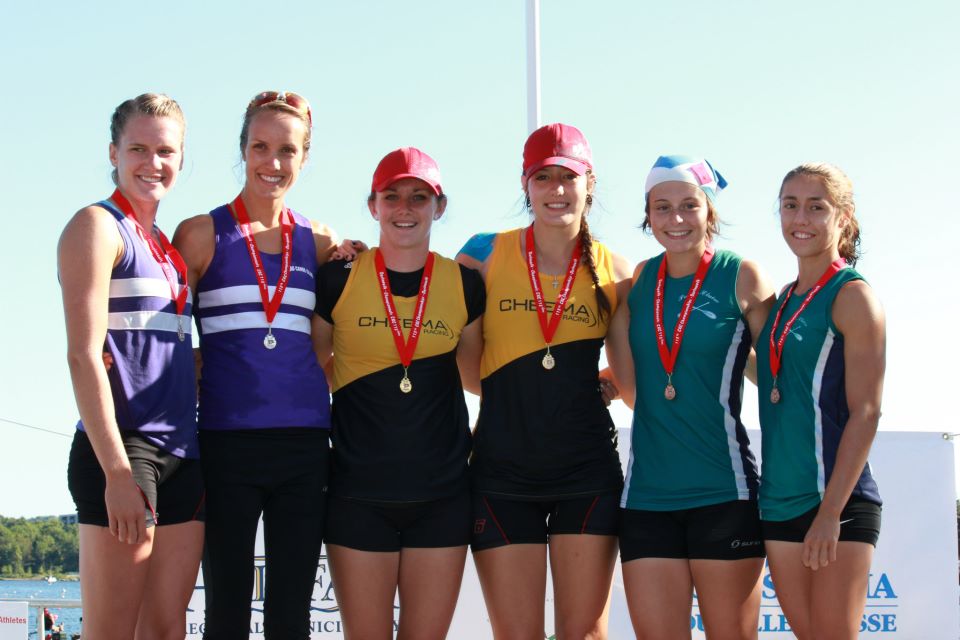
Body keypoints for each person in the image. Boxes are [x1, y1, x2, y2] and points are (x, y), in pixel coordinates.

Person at [173, 91, 339, 639]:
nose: (273, 162)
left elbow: (332, 345)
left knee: (291, 613)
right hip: (226, 443)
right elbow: (169, 336)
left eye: (287, 150)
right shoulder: (200, 234)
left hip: (305, 444)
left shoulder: (322, 241)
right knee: (226, 610)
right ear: (242, 149)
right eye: (260, 147)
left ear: (304, 158)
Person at [456, 123, 632, 638]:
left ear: (589, 183)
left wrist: (593, 385)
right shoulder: (482, 255)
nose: (557, 190)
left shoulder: (614, 269)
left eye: (568, 177)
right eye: (543, 177)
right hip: (502, 471)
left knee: (585, 634)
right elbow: (466, 366)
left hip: (586, 471)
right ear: (525, 184)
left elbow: (629, 374)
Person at [313, 147, 484, 639]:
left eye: (419, 197)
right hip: (357, 492)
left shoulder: (464, 284)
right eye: (392, 196)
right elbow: (310, 368)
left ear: (439, 207)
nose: (405, 208)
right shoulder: (339, 277)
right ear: (373, 206)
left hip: (442, 495)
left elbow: (477, 377)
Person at [606, 155, 774, 639]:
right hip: (647, 497)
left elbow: (776, 375)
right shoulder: (639, 281)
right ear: (648, 215)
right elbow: (636, 377)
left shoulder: (741, 275)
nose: (675, 218)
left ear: (709, 211)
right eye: (662, 207)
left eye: (688, 205)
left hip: (724, 490)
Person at [60, 93, 204, 640]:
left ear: (181, 158)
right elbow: (82, 355)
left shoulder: (168, 248)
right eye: (138, 148)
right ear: (113, 153)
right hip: (122, 451)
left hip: (184, 452)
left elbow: (160, 352)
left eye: (165, 151)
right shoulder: (96, 226)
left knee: (166, 632)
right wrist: (118, 474)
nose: (153, 162)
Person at [755, 163, 884, 640]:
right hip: (778, 502)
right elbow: (776, 379)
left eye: (816, 207)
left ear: (842, 217)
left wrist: (830, 513)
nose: (800, 218)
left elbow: (867, 411)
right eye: (790, 205)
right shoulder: (783, 299)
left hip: (835, 503)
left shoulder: (852, 295)